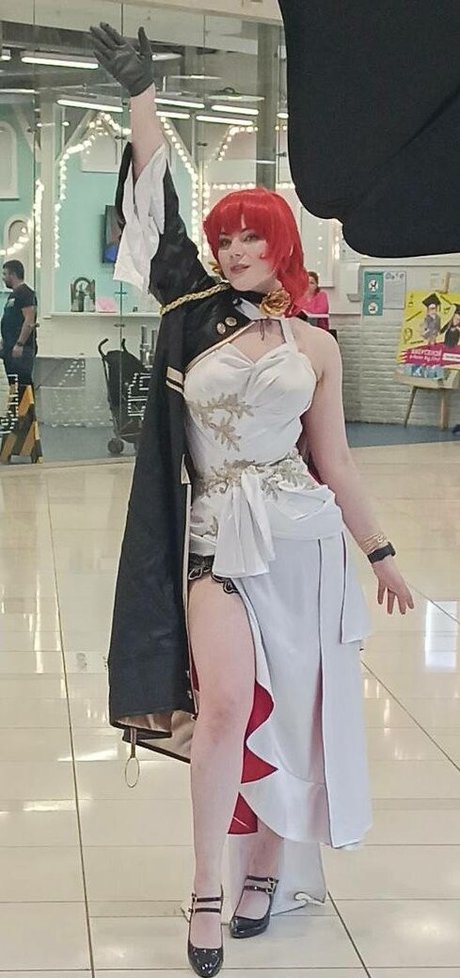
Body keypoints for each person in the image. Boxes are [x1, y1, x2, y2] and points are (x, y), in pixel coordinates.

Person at [91, 24, 414, 978]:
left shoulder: (316, 346)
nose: (233, 250)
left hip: (304, 543)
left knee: (297, 710)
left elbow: (336, 463)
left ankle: (266, 868)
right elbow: (158, 214)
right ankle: (206, 885)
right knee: (228, 702)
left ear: (281, 247)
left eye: (250, 236)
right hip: (212, 543)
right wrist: (143, 100)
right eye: (225, 237)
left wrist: (382, 552)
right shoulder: (190, 312)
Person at [0, 259, 37, 398]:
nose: (3, 278)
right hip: (10, 346)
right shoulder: (13, 295)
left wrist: (20, 343)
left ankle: (26, 411)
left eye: (5, 274)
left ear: (13, 275)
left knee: (23, 383)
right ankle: (15, 410)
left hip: (21, 348)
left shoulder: (25, 293)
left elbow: (29, 320)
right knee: (13, 384)